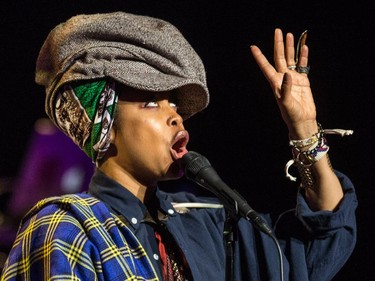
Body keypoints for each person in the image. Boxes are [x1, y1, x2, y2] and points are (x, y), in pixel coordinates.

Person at [1, 11, 357, 281]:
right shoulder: (67, 224)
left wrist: (305, 129)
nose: (176, 116)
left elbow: (319, 245)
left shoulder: (208, 222)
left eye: (174, 103)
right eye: (152, 102)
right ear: (104, 125)